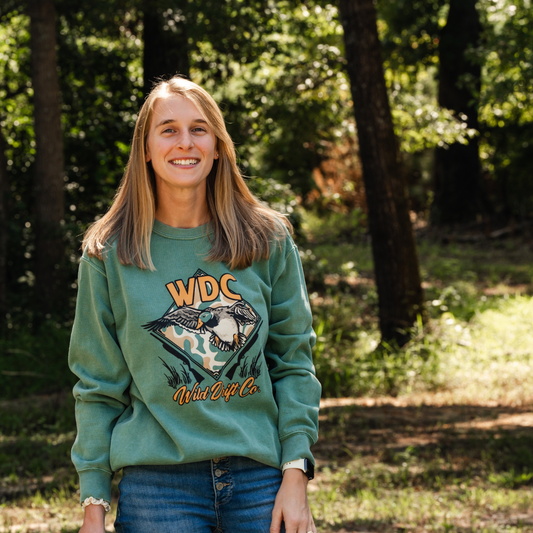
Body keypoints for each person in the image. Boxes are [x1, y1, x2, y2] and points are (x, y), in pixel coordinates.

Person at [69, 76, 321, 533]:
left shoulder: (266, 239)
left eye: (199, 129)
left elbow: (293, 364)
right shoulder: (109, 253)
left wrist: (296, 473)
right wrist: (93, 506)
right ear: (145, 149)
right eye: (168, 129)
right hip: (158, 486)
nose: (185, 142)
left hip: (260, 476)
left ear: (219, 145)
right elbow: (97, 386)